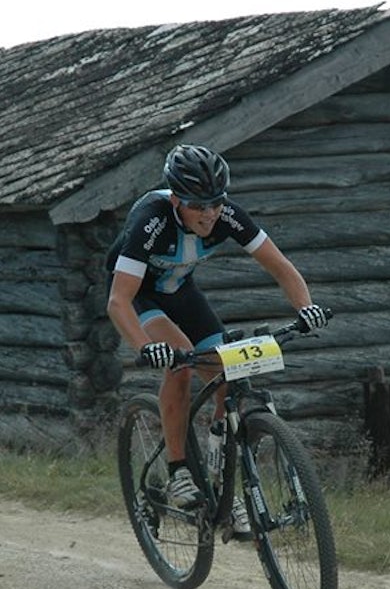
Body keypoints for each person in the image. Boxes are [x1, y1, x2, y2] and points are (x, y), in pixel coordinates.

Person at [105, 144, 327, 525]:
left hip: (183, 293)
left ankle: (219, 481)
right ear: (176, 200)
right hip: (140, 294)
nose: (209, 214)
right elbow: (117, 302)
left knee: (227, 376)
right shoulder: (151, 221)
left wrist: (305, 306)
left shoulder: (228, 216)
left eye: (215, 203)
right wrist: (146, 347)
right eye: (197, 205)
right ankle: (178, 472)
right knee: (180, 362)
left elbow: (280, 266)